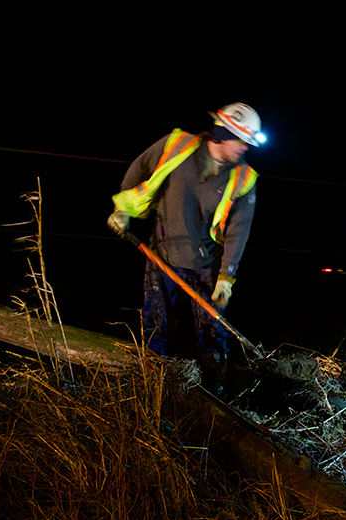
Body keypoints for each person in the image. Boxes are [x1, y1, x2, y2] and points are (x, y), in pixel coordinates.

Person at [107, 103, 263, 385]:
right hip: (162, 254)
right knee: (157, 326)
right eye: (241, 141)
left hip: (207, 264)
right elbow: (140, 167)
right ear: (221, 134)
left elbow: (239, 232)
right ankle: (153, 386)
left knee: (213, 332)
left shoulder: (243, 178)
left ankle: (216, 391)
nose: (245, 148)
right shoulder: (177, 146)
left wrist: (226, 278)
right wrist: (123, 209)